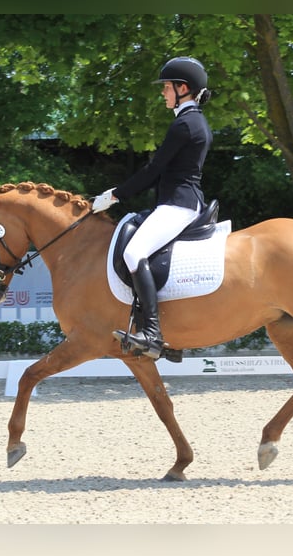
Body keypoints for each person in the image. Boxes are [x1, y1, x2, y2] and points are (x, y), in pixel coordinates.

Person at [92, 56, 213, 359]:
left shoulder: (185, 123)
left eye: (167, 87)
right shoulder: (190, 120)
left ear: (182, 88)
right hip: (180, 201)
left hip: (179, 204)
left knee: (134, 253)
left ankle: (153, 335)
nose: (163, 93)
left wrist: (115, 195)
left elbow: (154, 170)